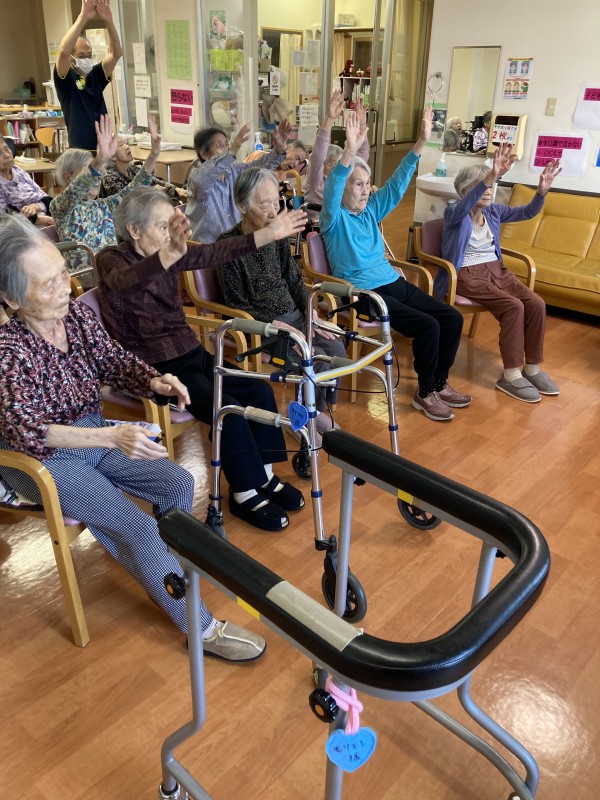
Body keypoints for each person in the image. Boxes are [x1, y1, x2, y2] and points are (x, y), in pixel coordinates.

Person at [0, 213, 265, 662]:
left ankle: (162, 568)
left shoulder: (74, 317)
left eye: (63, 273)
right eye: (48, 284)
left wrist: (155, 381)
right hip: (40, 459)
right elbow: (29, 430)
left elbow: (114, 360)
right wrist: (112, 437)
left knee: (177, 483)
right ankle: (199, 626)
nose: (64, 288)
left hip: (92, 431)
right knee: (137, 527)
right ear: (11, 298)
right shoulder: (8, 351)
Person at [96, 187, 308, 532]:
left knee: (258, 392)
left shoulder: (170, 251)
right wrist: (170, 253)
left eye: (172, 226)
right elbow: (125, 284)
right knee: (228, 409)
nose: (171, 235)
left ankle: (265, 477)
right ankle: (244, 493)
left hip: (190, 353)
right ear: (134, 229)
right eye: (163, 227)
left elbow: (215, 252)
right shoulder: (111, 259)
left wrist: (269, 233)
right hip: (153, 370)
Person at [320, 109, 471, 422]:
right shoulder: (333, 219)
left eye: (367, 184)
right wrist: (349, 150)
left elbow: (397, 184)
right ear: (344, 187)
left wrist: (421, 142)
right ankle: (425, 392)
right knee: (427, 326)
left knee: (452, 318)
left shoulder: (370, 211)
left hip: (391, 282)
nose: (365, 190)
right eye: (358, 184)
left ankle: (439, 383)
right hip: (362, 293)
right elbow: (333, 186)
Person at [216, 167, 347, 432]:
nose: (273, 212)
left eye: (276, 202)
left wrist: (311, 314)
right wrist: (277, 326)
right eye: (264, 204)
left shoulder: (277, 235)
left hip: (293, 316)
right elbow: (235, 304)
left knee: (336, 349)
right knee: (317, 358)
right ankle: (308, 421)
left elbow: (294, 280)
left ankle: (312, 413)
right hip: (260, 327)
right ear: (242, 206)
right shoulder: (228, 245)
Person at [441, 144, 562, 403]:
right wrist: (491, 175)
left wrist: (541, 192)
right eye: (482, 185)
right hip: (466, 275)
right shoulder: (454, 213)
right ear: (464, 192)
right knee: (513, 307)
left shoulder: (494, 211)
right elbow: (464, 207)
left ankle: (532, 368)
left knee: (536, 303)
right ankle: (511, 374)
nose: (488, 190)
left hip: (497, 270)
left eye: (491, 185)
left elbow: (527, 212)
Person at [51, 115, 160, 266]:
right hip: (86, 277)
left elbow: (136, 187)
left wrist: (154, 154)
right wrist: (100, 159)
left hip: (113, 274)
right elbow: (77, 188)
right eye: (88, 169)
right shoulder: (60, 208)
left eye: (99, 170)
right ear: (68, 177)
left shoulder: (104, 206)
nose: (99, 176)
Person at [186, 119, 290, 243]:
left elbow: (261, 167)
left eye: (227, 144)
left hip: (235, 246)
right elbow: (203, 180)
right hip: (207, 249)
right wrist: (231, 151)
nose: (226, 148)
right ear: (204, 154)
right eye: (219, 145)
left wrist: (279, 150)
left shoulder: (234, 170)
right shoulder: (196, 178)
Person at [53, 0, 123, 151]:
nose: (86, 59)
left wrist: (108, 20)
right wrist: (83, 17)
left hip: (103, 146)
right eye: (81, 55)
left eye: (89, 55)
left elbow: (116, 53)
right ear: (72, 58)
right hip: (81, 149)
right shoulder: (66, 79)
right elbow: (63, 52)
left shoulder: (96, 75)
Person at [303, 89, 370, 221]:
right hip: (319, 228)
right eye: (334, 164)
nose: (339, 168)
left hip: (343, 225)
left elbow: (360, 158)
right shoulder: (317, 182)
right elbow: (318, 156)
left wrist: (362, 125)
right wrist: (330, 119)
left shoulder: (345, 182)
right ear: (323, 166)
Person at [99, 136, 184, 202]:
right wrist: (152, 192)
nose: (127, 147)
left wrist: (176, 190)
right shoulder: (109, 177)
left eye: (126, 143)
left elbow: (154, 181)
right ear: (112, 156)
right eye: (121, 145)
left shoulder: (132, 168)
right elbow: (127, 202)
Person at [0, 135, 52, 224]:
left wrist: (36, 206)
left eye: (7, 149)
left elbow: (47, 199)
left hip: (44, 215)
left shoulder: (20, 172)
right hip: (23, 227)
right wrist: (39, 219)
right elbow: (6, 217)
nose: (6, 155)